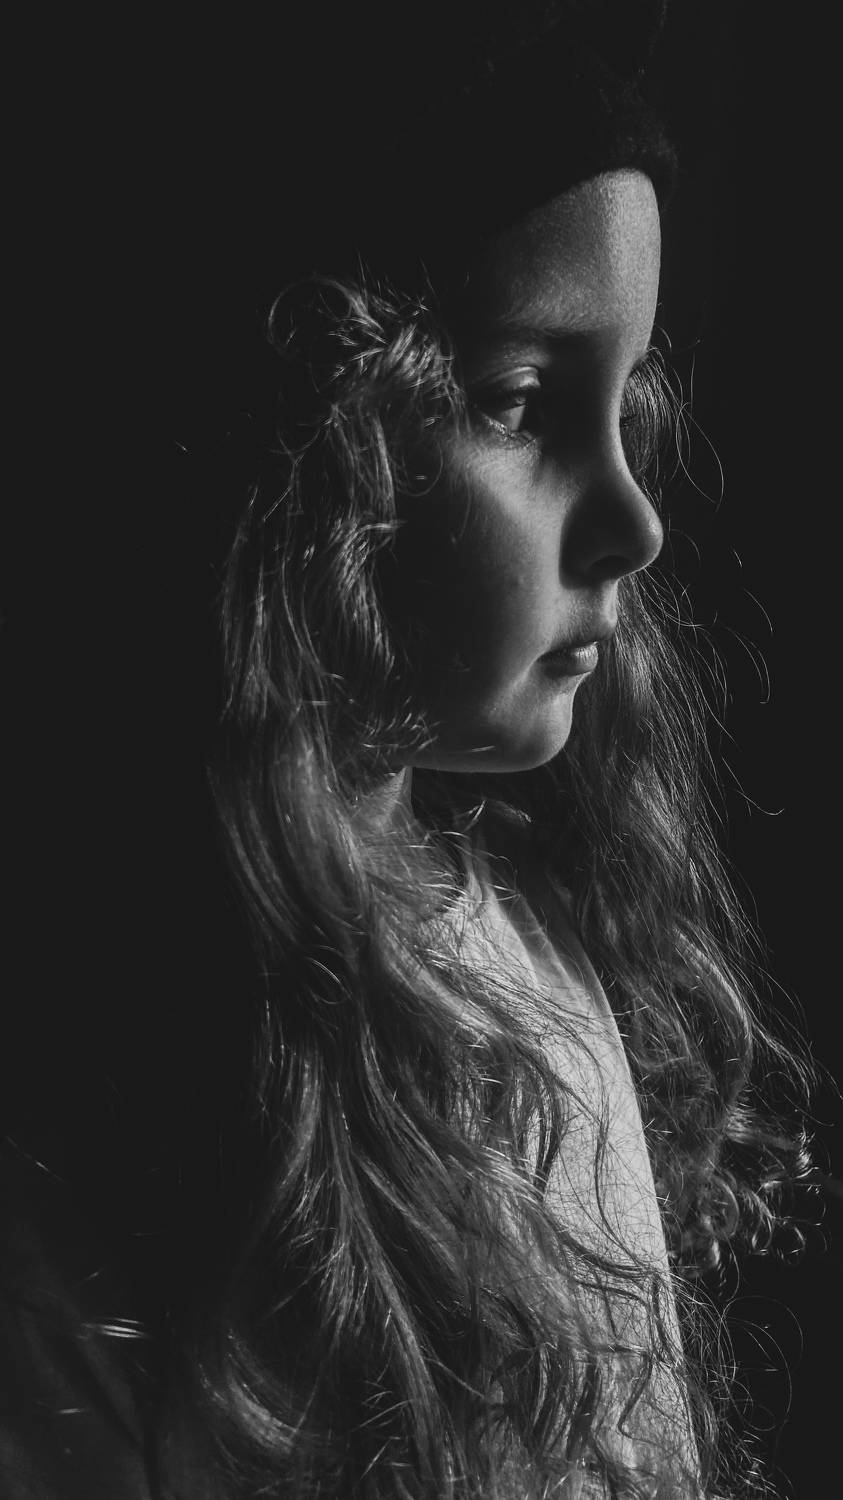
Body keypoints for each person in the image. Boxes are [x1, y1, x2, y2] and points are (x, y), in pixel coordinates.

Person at [0, 4, 814, 1497]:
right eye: (522, 404)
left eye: (629, 401)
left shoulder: (544, 962)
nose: (635, 522)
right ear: (310, 452)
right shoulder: (86, 1145)